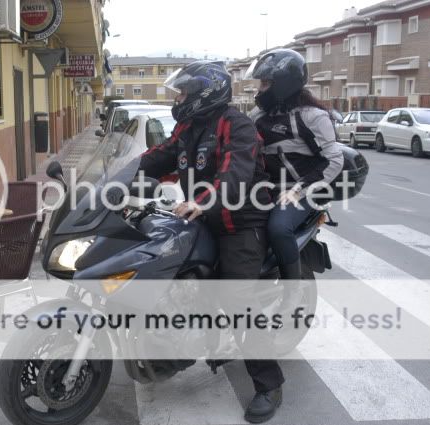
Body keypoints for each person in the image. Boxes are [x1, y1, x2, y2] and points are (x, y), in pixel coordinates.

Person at [138, 60, 284, 423]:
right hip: (200, 218)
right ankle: (171, 350)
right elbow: (158, 158)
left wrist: (200, 202)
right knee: (161, 270)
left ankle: (269, 384)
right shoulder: (187, 128)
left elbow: (233, 175)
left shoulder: (238, 126)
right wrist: (116, 181)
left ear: (207, 91)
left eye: (186, 91)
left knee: (236, 302)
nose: (180, 98)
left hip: (240, 224)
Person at [247, 49, 343, 281]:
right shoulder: (257, 115)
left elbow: (334, 159)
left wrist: (298, 190)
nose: (259, 89)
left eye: (265, 83)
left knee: (278, 229)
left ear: (283, 83)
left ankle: (293, 286)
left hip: (301, 191)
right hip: (266, 190)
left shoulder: (312, 117)